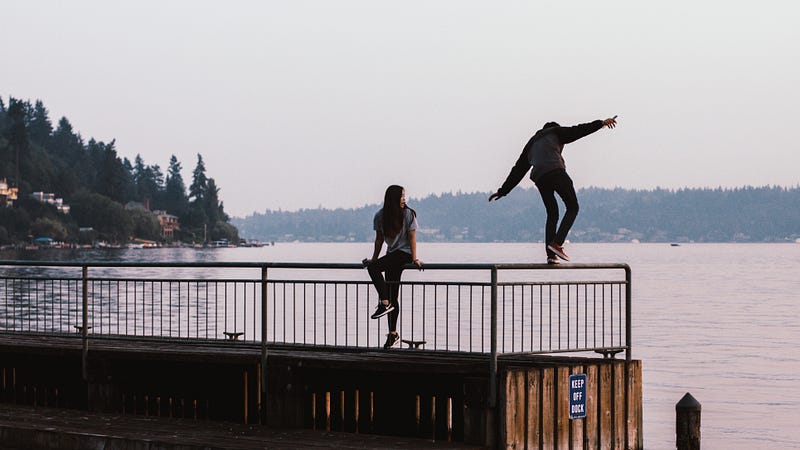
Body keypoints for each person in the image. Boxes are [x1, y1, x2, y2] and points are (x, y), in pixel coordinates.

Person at [489, 116, 618, 264]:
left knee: (552, 213)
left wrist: (503, 190)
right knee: (572, 206)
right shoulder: (555, 131)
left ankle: (551, 255)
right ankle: (557, 244)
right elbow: (579, 130)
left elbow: (519, 169)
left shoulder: (531, 143)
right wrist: (601, 124)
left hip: (540, 178)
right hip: (555, 170)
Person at [363, 185, 423, 349]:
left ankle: (384, 302)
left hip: (404, 254)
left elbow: (412, 238)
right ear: (393, 198)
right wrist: (374, 259)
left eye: (405, 196)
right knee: (392, 293)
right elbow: (379, 240)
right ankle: (393, 334)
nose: (404, 198)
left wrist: (414, 258)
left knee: (373, 270)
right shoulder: (380, 216)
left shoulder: (409, 214)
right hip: (391, 255)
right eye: (402, 196)